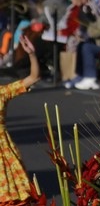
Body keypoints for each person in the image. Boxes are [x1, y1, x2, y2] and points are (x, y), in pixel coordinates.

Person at [0, 35, 40, 204]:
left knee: (13, 197)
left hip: (3, 151)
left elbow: (33, 78)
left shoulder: (3, 92)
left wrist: (31, 54)